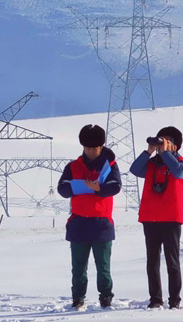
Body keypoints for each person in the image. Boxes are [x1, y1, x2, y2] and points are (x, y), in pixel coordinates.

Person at [57, 124, 122, 310]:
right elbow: (62, 188)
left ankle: (106, 297)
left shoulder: (109, 166)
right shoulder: (72, 166)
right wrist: (76, 187)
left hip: (101, 223)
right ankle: (78, 298)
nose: (91, 151)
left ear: (101, 147)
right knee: (78, 267)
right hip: (78, 223)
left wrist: (98, 188)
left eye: (94, 148)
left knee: (103, 266)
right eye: (87, 148)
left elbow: (115, 186)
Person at [129, 126, 183, 310]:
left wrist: (166, 154)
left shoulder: (181, 162)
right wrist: (149, 151)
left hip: (171, 218)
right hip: (150, 218)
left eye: (166, 141)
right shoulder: (151, 163)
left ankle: (174, 300)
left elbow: (179, 172)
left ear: (175, 145)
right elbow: (134, 169)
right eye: (160, 140)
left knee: (172, 261)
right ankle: (155, 299)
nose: (162, 144)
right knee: (152, 262)